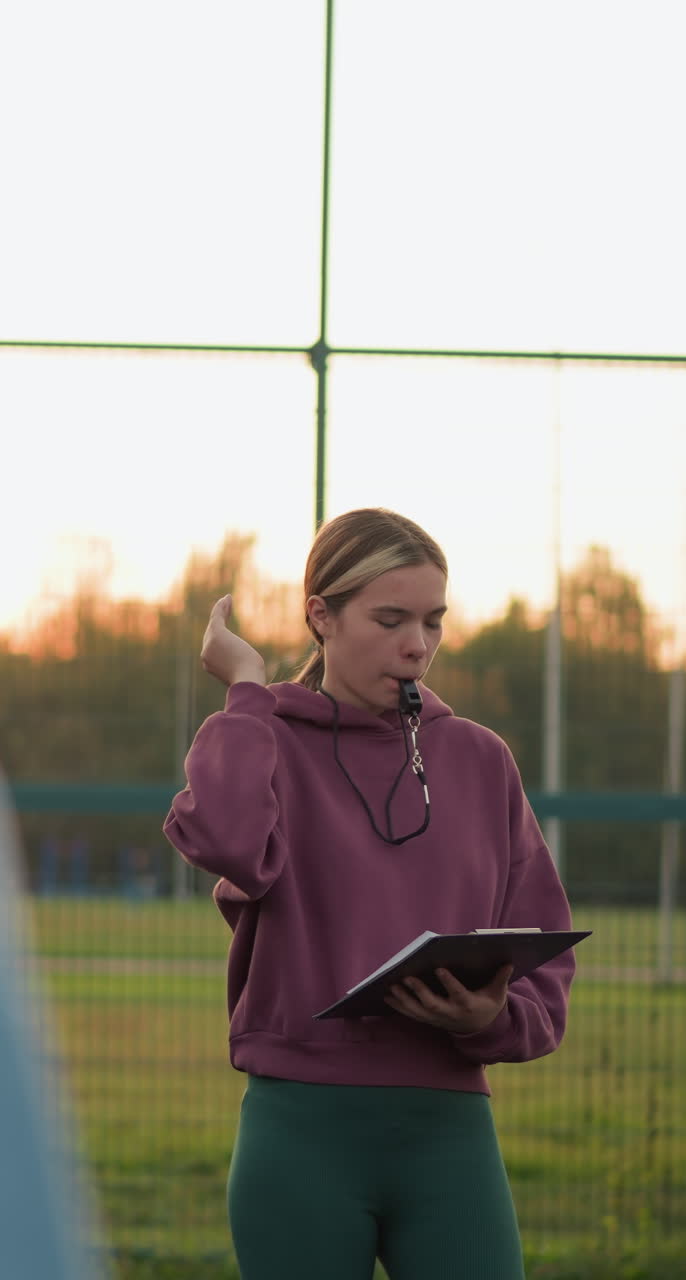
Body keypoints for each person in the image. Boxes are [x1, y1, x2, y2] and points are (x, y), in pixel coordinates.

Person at [163, 507, 577, 1280]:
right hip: (301, 1128)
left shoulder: (481, 761)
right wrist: (248, 694)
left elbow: (544, 957)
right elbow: (221, 839)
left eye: (432, 621)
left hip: (450, 1129)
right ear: (321, 615)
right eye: (390, 619)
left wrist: (495, 1016)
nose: (417, 644)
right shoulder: (268, 740)